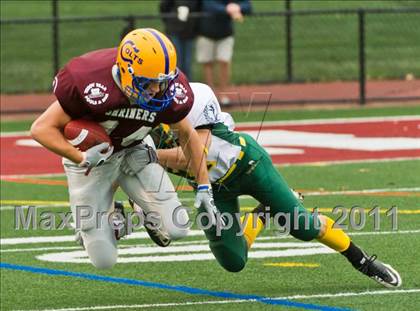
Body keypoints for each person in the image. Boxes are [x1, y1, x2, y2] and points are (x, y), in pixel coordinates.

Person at [151, 82, 402, 288]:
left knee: (303, 227)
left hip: (247, 165)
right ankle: (263, 213)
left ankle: (361, 260)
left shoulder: (191, 97)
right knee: (233, 259)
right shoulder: (131, 121)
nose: (148, 90)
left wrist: (149, 153)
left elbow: (199, 154)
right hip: (214, 187)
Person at [30, 28, 221, 269]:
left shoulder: (168, 91)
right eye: (148, 83)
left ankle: (139, 205)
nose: (155, 90)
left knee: (178, 227)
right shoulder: (90, 82)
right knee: (104, 260)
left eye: (162, 83)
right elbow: (40, 128)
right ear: (126, 70)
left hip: (136, 150)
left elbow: (186, 134)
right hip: (91, 162)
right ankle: (101, 216)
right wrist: (79, 156)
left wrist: (204, 185)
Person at [196, 0, 252, 105]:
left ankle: (223, 95)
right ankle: (210, 96)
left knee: (224, 62)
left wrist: (236, 7)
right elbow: (209, 6)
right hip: (206, 33)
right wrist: (228, 9)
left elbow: (248, 6)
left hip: (225, 34)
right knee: (207, 63)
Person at [160, 0, 201, 80]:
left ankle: (188, 85)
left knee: (187, 63)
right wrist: (171, 21)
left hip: (189, 31)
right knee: (177, 61)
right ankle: (175, 83)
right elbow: (164, 7)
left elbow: (198, 8)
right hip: (174, 31)